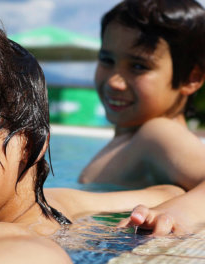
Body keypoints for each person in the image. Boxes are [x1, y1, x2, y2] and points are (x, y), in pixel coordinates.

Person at [0, 17, 184, 263]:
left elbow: (35, 252)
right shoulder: (62, 203)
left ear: (29, 144)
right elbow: (168, 191)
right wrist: (158, 215)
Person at [78, 0, 205, 236]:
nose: (115, 82)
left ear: (190, 78)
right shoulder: (130, 139)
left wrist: (179, 212)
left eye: (138, 66)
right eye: (107, 60)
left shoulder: (159, 133)